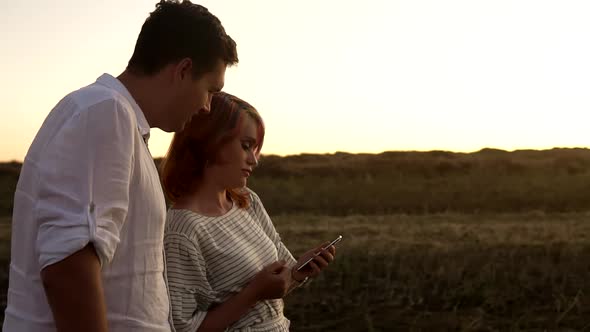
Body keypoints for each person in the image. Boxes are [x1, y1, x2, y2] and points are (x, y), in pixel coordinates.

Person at [2, 1, 238, 331]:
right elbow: (69, 267)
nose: (206, 106)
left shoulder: (117, 120)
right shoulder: (104, 113)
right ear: (183, 70)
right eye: (210, 91)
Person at [160, 92, 337, 332]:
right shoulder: (182, 231)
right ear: (211, 141)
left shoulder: (247, 202)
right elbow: (185, 329)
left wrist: (299, 271)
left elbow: (281, 279)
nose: (254, 160)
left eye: (256, 148)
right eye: (245, 146)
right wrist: (253, 294)